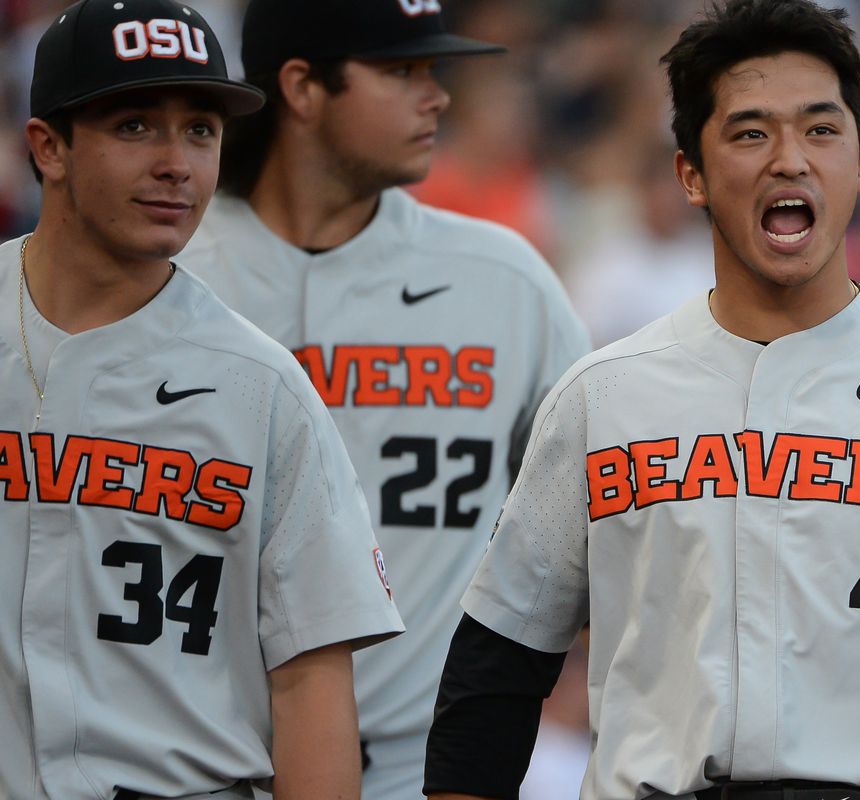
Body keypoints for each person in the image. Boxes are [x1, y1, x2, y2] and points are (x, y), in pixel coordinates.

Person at [423, 2, 860, 799]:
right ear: (690, 175)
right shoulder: (601, 395)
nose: (790, 159)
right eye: (750, 133)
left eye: (820, 129)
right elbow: (498, 662)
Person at [177, 0, 590, 796]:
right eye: (402, 72)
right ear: (302, 86)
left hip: (428, 770)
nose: (436, 96)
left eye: (432, 71)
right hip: (205, 762)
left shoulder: (504, 281)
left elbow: (601, 515)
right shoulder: (176, 271)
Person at [0, 1, 406, 799]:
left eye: (200, 130)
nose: (177, 163)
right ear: (48, 147)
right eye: (134, 126)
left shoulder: (262, 387)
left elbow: (311, 680)